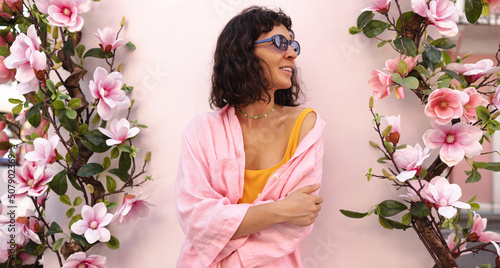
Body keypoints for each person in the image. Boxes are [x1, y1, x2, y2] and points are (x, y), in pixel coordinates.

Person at [175, 6, 325, 267]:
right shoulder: (201, 131)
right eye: (279, 43)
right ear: (244, 52)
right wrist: (279, 209)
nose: (291, 53)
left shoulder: (305, 126)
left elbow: (298, 220)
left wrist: (228, 246)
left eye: (293, 45)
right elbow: (196, 220)